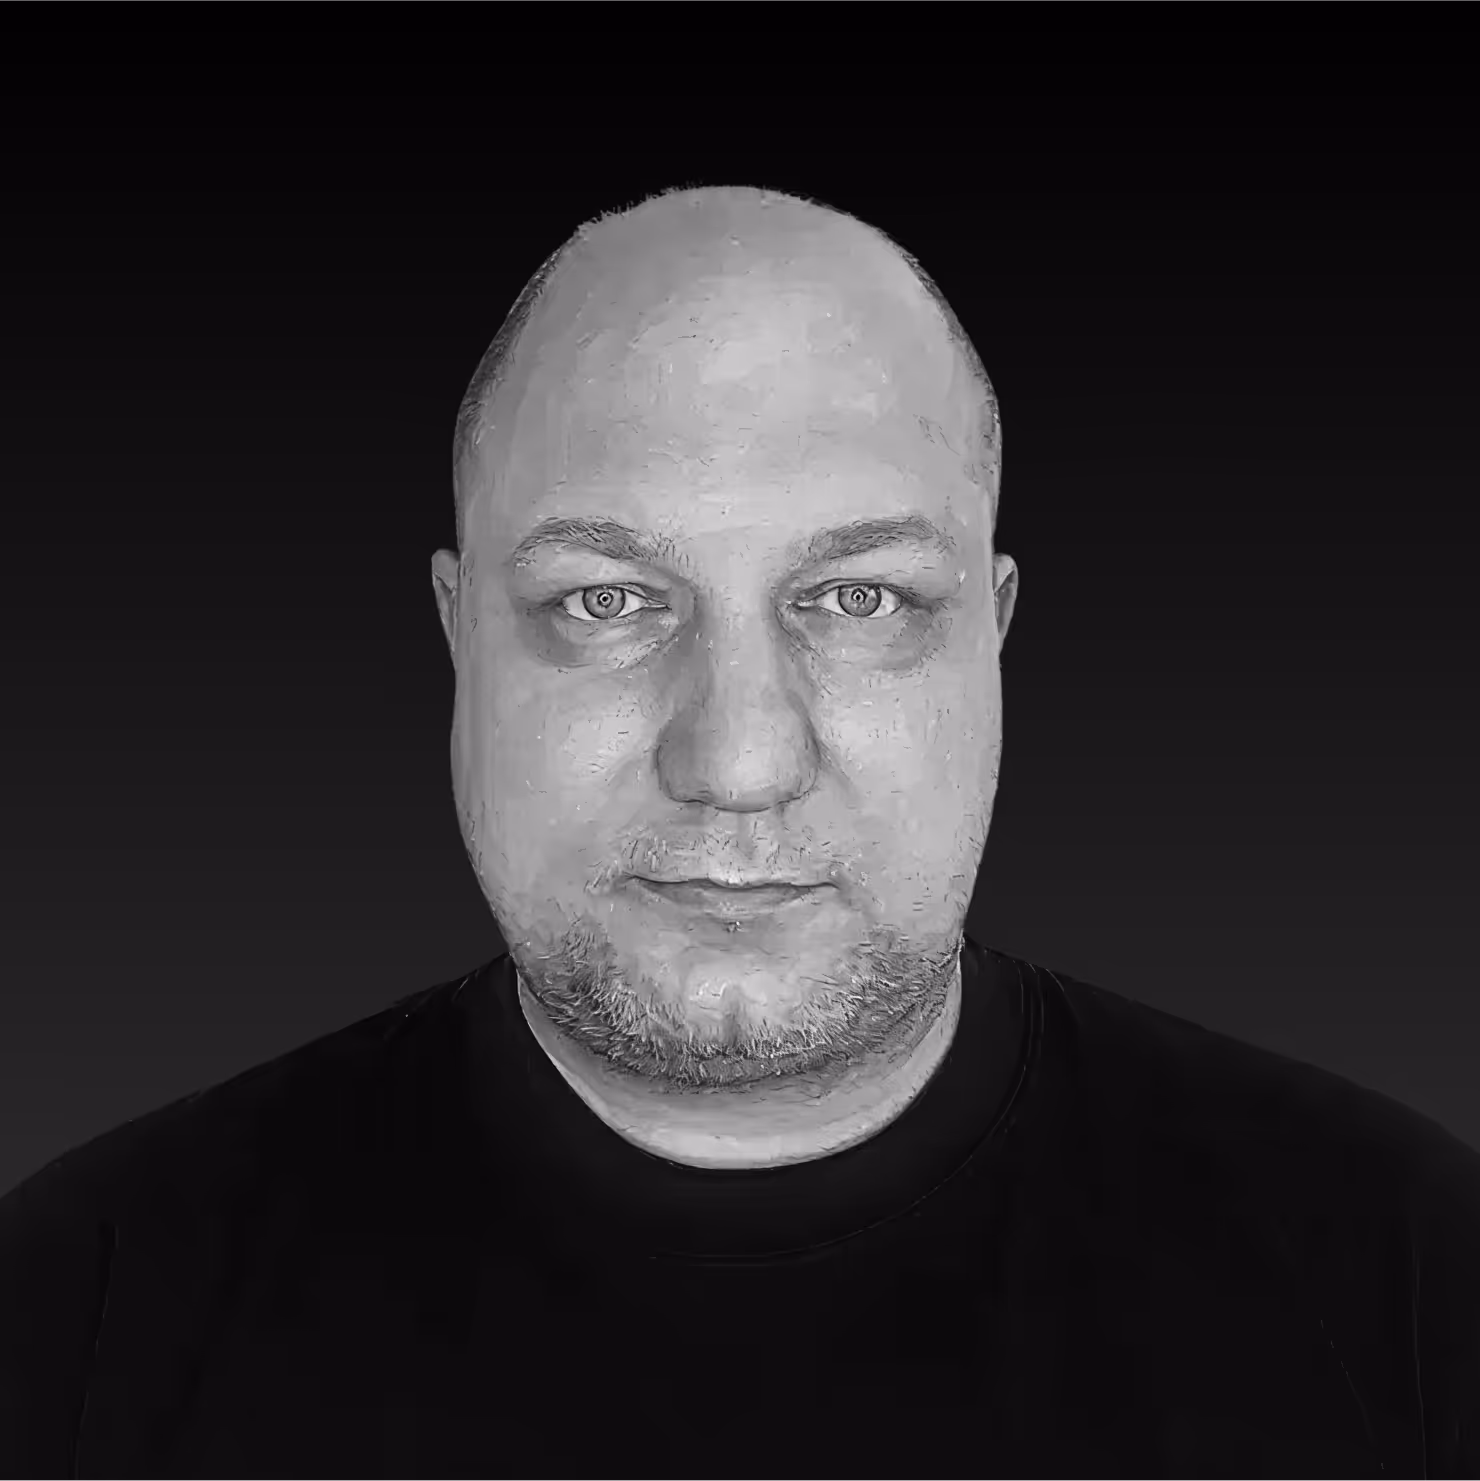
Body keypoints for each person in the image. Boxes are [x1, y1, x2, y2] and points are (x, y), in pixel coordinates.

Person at [1, 185, 1476, 1479]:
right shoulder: (76, 1317)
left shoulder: (1413, 1287)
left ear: (996, 643)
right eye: (606, 601)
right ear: (460, 642)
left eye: (861, 600)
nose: (739, 761)